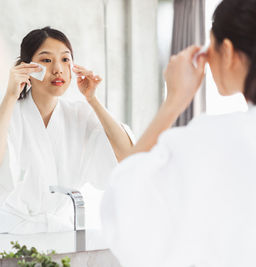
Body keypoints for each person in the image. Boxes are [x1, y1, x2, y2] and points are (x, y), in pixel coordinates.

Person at [101, 0, 256, 266]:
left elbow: (124, 209)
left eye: (210, 48)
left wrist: (174, 100)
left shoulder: (212, 141)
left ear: (228, 51)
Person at [0, 27, 134, 235]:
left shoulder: (80, 115)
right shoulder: (3, 113)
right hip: (6, 233)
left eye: (65, 60)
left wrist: (93, 99)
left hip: (59, 233)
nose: (58, 69)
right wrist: (10, 96)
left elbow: (128, 156)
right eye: (46, 60)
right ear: (27, 67)